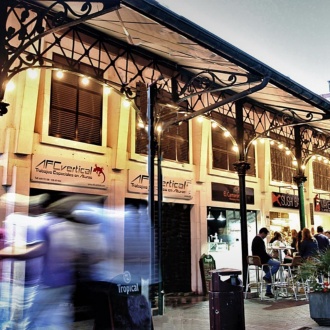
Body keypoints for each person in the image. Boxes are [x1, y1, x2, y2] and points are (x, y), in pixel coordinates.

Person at [252, 227, 280, 298]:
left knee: (269, 272)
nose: (265, 237)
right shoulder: (260, 240)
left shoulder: (255, 239)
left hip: (257, 260)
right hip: (262, 259)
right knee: (277, 264)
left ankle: (268, 291)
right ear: (263, 233)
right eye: (266, 235)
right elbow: (262, 252)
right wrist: (269, 256)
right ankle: (266, 277)